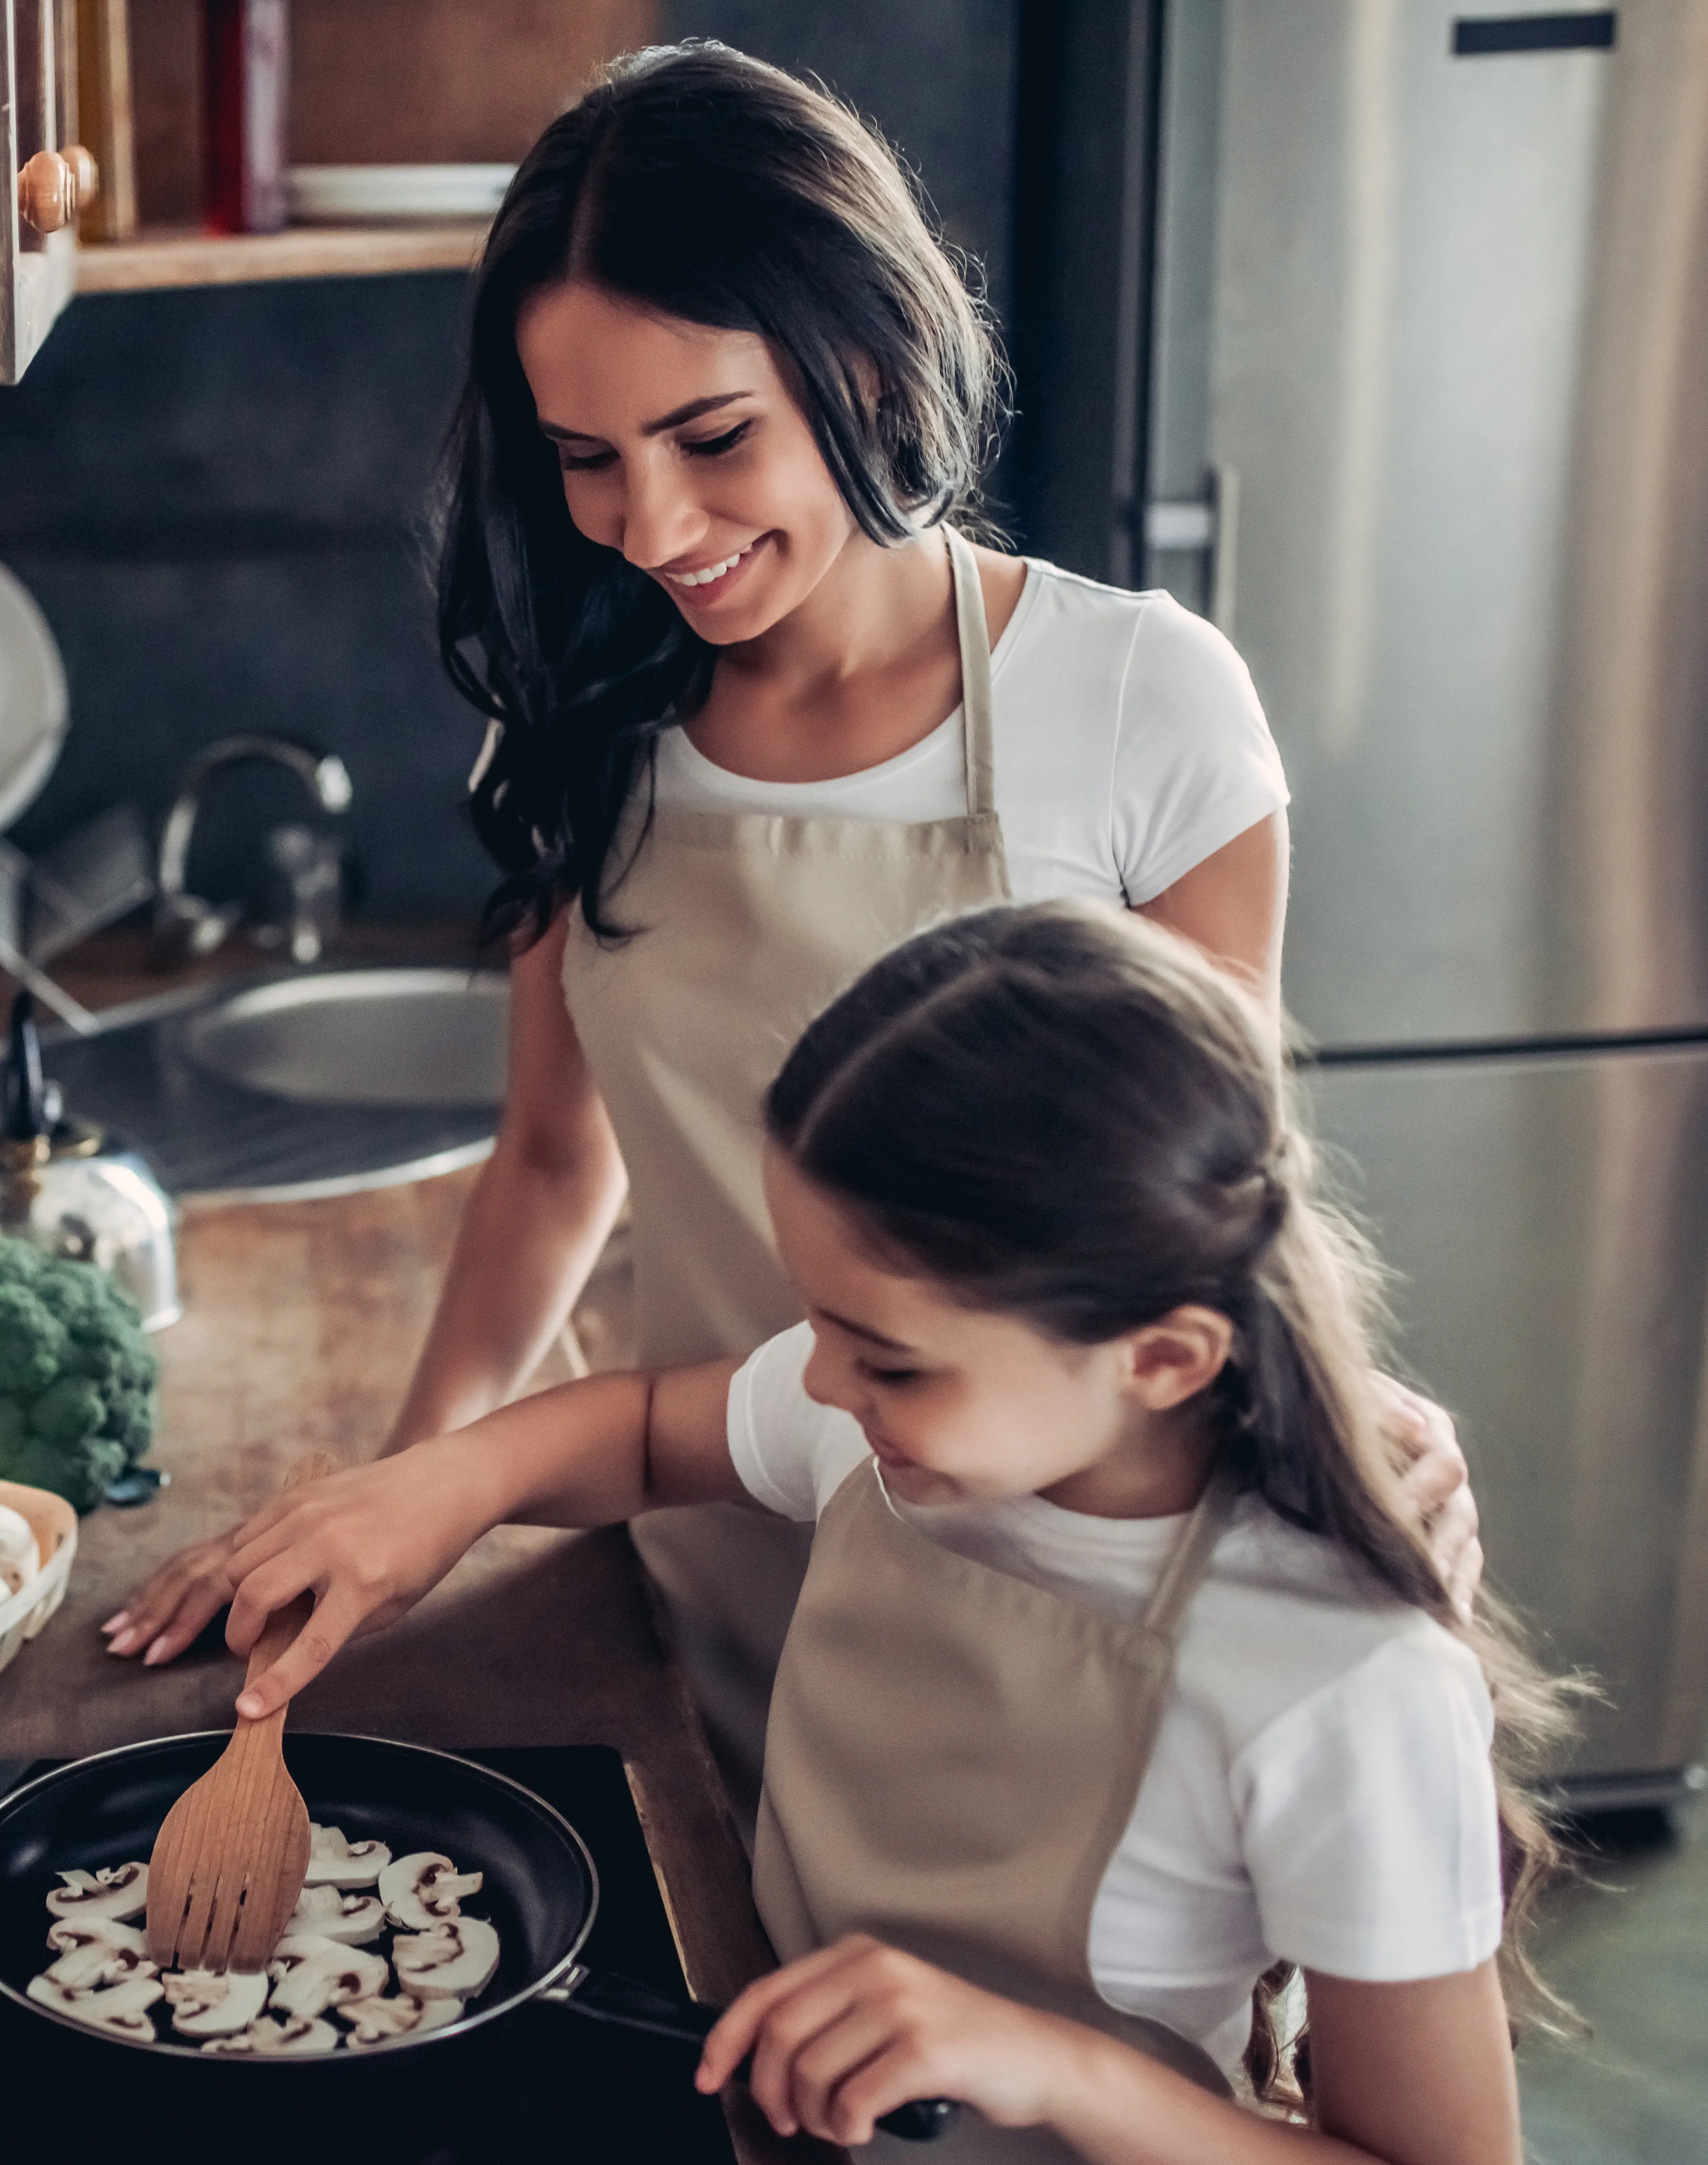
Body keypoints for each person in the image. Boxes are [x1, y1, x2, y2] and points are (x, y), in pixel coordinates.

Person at [97, 40, 1484, 1810]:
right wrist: (401, 1507)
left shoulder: (1146, 700)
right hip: (713, 1582)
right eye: (586, 459)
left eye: (713, 435)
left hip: (1059, 1638)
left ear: (867, 354)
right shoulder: (582, 725)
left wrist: (1354, 1450)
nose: (651, 526)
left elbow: (1209, 1222)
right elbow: (548, 1161)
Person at [210, 903, 1568, 2165]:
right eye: (820, 1325)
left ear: (1162, 1358)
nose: (817, 1383)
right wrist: (446, 1484)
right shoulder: (876, 1420)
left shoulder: (1345, 1686)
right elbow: (636, 1429)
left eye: (889, 1360)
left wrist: (1054, 2065)